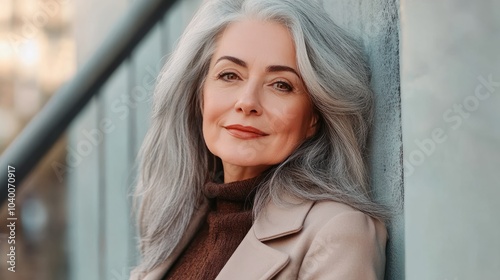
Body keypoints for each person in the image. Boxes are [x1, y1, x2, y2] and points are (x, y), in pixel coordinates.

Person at [131, 0, 389, 279]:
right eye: (229, 75)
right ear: (200, 97)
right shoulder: (181, 219)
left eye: (281, 84)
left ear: (314, 116)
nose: (247, 102)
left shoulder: (338, 230)